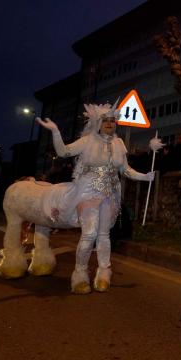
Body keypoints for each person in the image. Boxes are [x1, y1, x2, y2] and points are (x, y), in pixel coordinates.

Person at [35, 103, 154, 293]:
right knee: (89, 233)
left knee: (104, 235)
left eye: (112, 121)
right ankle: (80, 274)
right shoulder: (87, 140)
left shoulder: (119, 143)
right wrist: (56, 132)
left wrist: (145, 176)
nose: (109, 124)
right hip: (87, 192)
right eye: (105, 121)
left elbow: (126, 170)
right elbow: (63, 152)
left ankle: (104, 273)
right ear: (98, 123)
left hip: (110, 193)